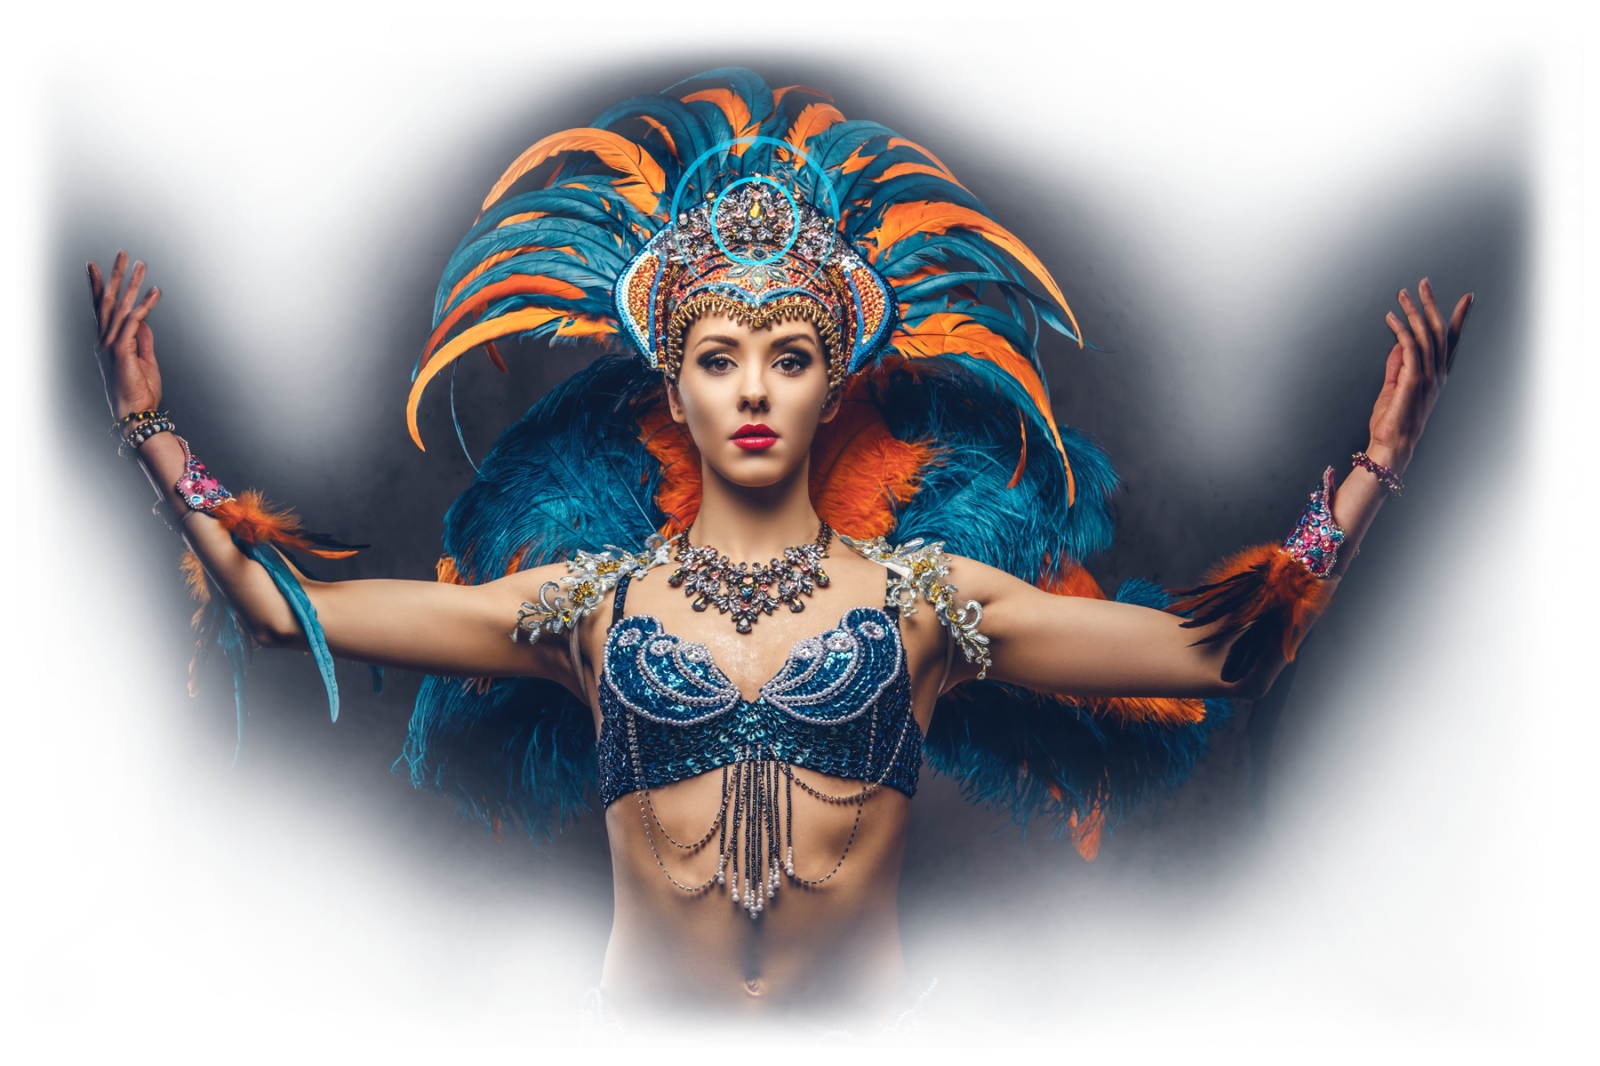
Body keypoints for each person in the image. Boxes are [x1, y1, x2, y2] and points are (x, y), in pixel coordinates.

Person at [86, 69, 1470, 1049]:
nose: (754, 389)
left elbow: (1216, 657)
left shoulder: (930, 599)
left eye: (790, 357)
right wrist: (153, 431)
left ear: (833, 386)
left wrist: (1375, 467)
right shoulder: (582, 607)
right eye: (719, 358)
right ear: (673, 388)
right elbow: (285, 609)